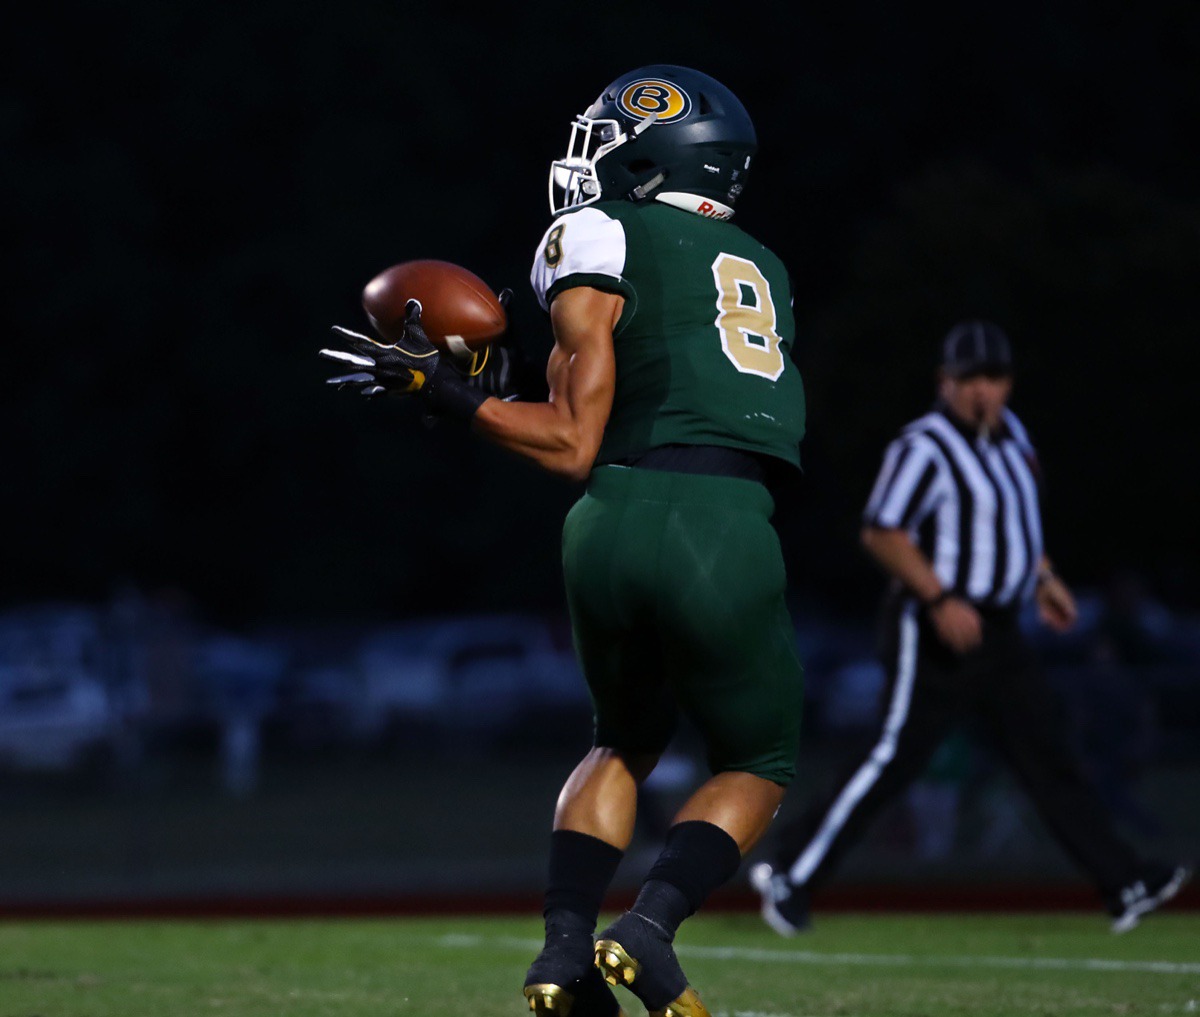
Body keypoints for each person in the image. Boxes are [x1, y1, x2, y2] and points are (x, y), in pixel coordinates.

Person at [321, 65, 807, 1017]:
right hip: (723, 522)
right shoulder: (767, 268)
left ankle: (562, 955)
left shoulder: (595, 231)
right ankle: (649, 929)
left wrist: (449, 393)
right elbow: (600, 423)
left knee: (620, 741)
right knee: (761, 760)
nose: (588, 157)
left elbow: (572, 440)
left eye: (608, 138)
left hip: (613, 520)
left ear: (657, 155)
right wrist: (474, 397)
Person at [749, 320, 1191, 937]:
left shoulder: (1013, 437)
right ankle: (790, 871)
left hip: (1001, 630)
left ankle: (1123, 883)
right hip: (933, 627)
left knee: (1049, 755)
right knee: (893, 757)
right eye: (971, 379)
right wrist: (939, 597)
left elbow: (1014, 524)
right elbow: (882, 530)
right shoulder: (924, 445)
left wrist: (1043, 579)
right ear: (946, 382)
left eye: (995, 378)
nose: (985, 392)